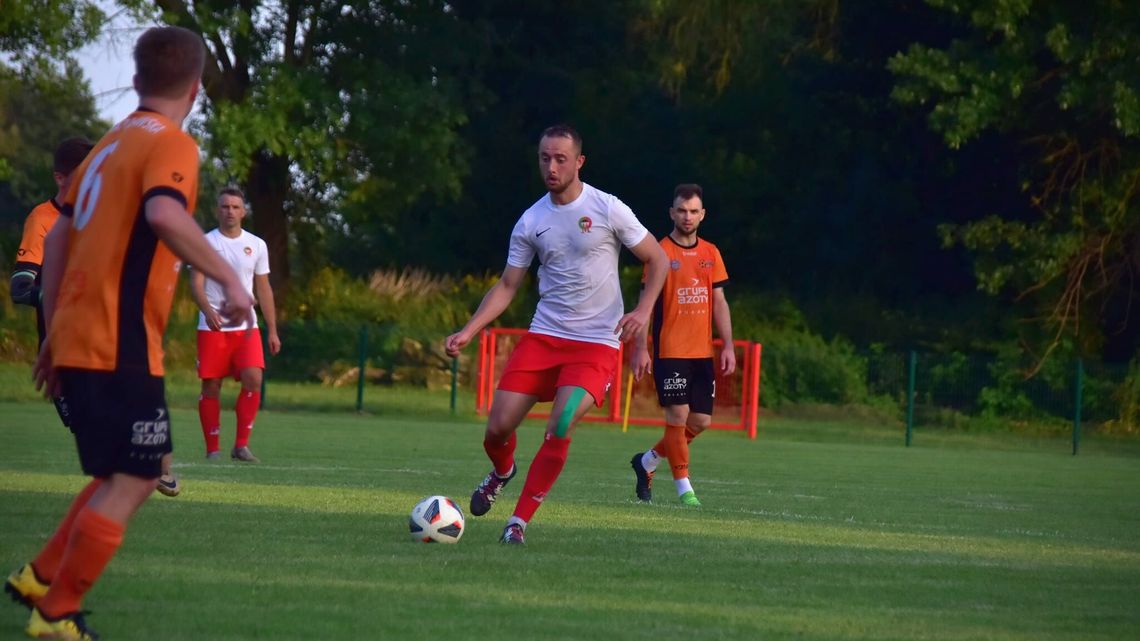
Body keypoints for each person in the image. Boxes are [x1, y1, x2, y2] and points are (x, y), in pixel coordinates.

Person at [4, 26, 254, 641]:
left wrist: (51, 332)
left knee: (116, 472)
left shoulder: (108, 145)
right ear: (196, 89)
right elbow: (165, 214)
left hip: (81, 333)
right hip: (119, 342)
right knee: (140, 476)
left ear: (138, 81)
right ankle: (56, 613)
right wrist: (227, 273)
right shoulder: (171, 144)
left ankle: (39, 577)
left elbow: (58, 236)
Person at [445, 124, 669, 545]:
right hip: (544, 338)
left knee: (560, 425)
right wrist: (470, 330)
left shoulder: (607, 208)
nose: (551, 166)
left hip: (596, 344)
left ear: (579, 161)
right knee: (496, 429)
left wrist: (642, 310)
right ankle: (502, 471)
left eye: (561, 158)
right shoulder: (531, 220)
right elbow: (509, 285)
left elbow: (656, 259)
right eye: (545, 158)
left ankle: (518, 522)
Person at [629, 183, 735, 506]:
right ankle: (684, 489)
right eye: (681, 210)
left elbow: (719, 301)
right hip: (670, 350)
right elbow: (645, 302)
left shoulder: (710, 253)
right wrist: (641, 347)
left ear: (702, 215)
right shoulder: (659, 253)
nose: (687, 217)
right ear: (671, 213)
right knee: (677, 416)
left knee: (700, 421)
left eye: (693, 211)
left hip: (702, 352)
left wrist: (727, 345)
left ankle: (647, 461)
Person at [189, 186, 281, 463]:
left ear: (244, 211)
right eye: (225, 206)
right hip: (213, 326)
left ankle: (241, 445)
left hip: (247, 327)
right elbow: (195, 283)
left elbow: (263, 288)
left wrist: (273, 330)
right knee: (211, 385)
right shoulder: (204, 243)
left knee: (254, 378)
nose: (230, 211)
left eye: (235, 207)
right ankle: (213, 449)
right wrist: (207, 310)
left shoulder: (257, 244)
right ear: (217, 210)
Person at [10, 137, 94, 428]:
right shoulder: (42, 219)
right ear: (60, 178)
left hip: (106, 340)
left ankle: (159, 474)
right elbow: (20, 289)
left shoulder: (102, 217)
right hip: (63, 349)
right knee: (96, 429)